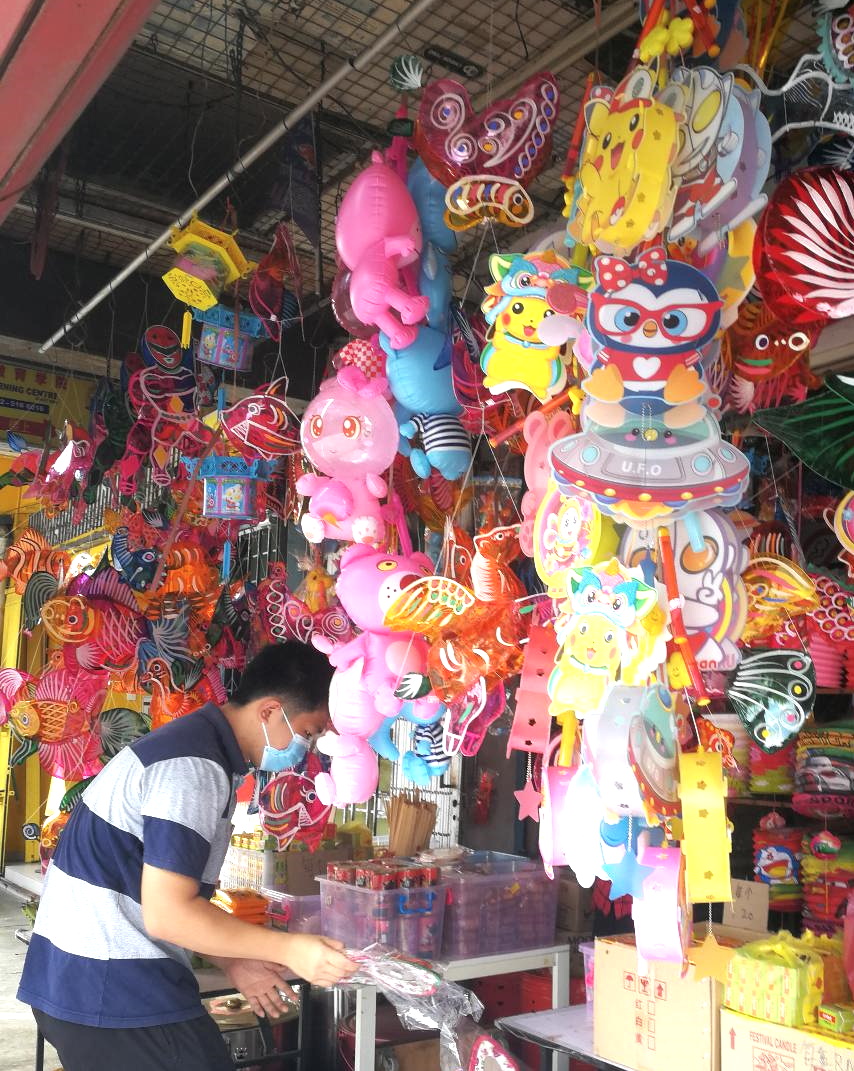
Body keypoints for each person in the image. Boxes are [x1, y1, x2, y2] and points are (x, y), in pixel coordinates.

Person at [17, 640, 356, 1071]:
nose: (307, 749)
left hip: (80, 983)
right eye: (308, 732)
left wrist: (237, 961)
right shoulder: (192, 767)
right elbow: (169, 914)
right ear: (270, 711)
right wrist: (293, 951)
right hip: (112, 991)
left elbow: (166, 899)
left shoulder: (198, 751)